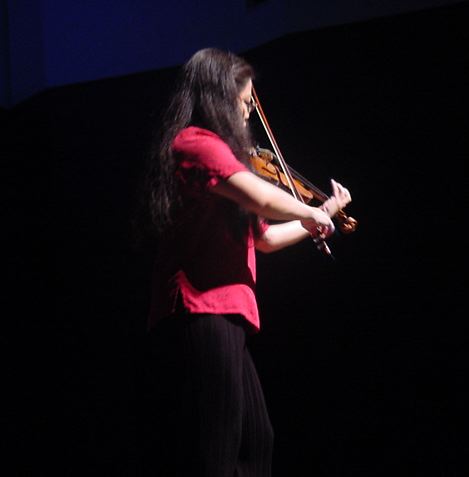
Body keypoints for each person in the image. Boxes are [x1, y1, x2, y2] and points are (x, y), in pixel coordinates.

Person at [137, 48, 351, 477]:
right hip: (201, 307)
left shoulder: (232, 165)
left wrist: (321, 214)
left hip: (227, 310)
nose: (249, 109)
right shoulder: (195, 144)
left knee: (257, 439)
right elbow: (261, 197)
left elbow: (265, 238)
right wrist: (310, 211)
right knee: (217, 442)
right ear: (219, 97)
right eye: (244, 99)